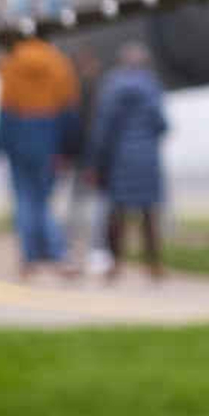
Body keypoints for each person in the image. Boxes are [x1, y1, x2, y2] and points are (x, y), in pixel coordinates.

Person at [0, 26, 76, 279]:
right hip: (47, 136)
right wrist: (67, 148)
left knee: (24, 200)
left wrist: (0, 147)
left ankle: (28, 258)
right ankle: (58, 253)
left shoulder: (11, 65)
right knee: (42, 200)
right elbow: (68, 111)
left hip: (19, 136)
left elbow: (7, 111)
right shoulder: (59, 64)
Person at [83, 42, 167, 282]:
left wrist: (95, 162)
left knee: (116, 212)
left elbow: (103, 129)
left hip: (120, 157)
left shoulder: (112, 86)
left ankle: (116, 263)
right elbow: (162, 124)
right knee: (148, 211)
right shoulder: (152, 86)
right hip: (147, 157)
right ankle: (154, 264)